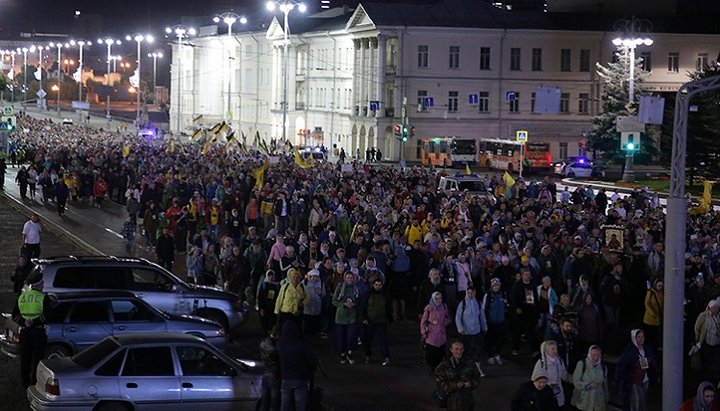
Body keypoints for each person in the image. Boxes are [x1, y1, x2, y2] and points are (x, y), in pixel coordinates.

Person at [12, 272, 52, 388]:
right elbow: (48, 316)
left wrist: (23, 322)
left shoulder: (22, 297)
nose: (43, 285)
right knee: (37, 358)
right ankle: (34, 383)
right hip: (38, 332)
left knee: (25, 358)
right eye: (42, 283)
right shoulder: (43, 297)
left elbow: (15, 315)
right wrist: (34, 322)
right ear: (38, 285)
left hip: (25, 331)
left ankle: (24, 383)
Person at [277, 320, 318, 411]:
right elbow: (311, 360)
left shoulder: (280, 344)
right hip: (300, 378)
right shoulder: (302, 345)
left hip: (286, 378)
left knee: (285, 404)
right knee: (300, 404)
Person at [615, 329, 658, 411]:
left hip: (645, 379)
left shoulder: (647, 349)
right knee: (639, 401)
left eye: (642, 336)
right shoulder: (629, 351)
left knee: (640, 399)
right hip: (634, 381)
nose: (641, 339)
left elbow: (653, 363)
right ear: (634, 338)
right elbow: (622, 366)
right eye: (639, 337)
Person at [434, 339, 481, 411]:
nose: (459, 352)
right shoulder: (444, 366)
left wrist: (471, 383)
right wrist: (455, 385)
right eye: (456, 349)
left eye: (461, 349)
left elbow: (477, 378)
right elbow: (439, 383)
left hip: (467, 401)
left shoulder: (470, 363)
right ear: (451, 350)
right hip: (452, 403)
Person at [359, 278, 392, 365]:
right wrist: (364, 318)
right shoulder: (368, 294)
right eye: (376, 285)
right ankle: (367, 356)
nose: (378, 287)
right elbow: (363, 307)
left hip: (381, 322)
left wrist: (389, 319)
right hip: (370, 322)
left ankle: (385, 357)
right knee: (367, 341)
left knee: (383, 341)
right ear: (373, 285)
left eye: (379, 285)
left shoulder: (385, 295)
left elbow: (388, 307)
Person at [455, 286, 487, 376]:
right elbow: (458, 317)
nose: (470, 295)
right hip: (466, 332)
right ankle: (465, 369)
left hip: (476, 331)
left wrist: (484, 327)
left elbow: (482, 316)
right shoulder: (463, 303)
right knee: (466, 351)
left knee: (477, 352)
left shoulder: (478, 303)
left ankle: (478, 369)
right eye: (468, 293)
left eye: (472, 293)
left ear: (475, 293)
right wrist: (460, 328)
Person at [532, 340, 571, 408]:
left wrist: (573, 379)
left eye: (556, 349)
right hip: (545, 392)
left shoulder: (560, 361)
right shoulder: (541, 363)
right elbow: (535, 379)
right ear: (546, 351)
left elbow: (564, 374)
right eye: (553, 349)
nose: (556, 351)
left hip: (558, 392)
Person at [333, 271, 360, 364]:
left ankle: (350, 352)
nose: (349, 279)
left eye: (351, 278)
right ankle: (342, 354)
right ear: (344, 278)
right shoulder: (340, 288)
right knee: (341, 337)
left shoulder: (356, 289)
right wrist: (343, 304)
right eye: (348, 278)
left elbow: (359, 301)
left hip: (352, 316)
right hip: (340, 317)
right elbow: (334, 300)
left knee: (351, 336)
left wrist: (354, 304)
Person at [571, 345, 608, 411]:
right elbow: (576, 381)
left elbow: (604, 384)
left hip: (598, 400)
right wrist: (588, 385)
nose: (596, 357)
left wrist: (606, 397)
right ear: (589, 354)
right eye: (594, 355)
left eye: (598, 355)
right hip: (584, 400)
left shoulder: (603, 367)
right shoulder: (582, 364)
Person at [421, 291, 450, 372]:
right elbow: (423, 322)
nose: (438, 300)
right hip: (431, 335)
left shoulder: (444, 307)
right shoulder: (429, 308)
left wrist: (446, 321)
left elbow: (447, 317)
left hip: (441, 335)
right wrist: (423, 332)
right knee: (431, 355)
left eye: (440, 298)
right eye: (436, 299)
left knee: (440, 354)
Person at [693, 298, 720, 379]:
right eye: (714, 307)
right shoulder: (703, 316)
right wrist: (698, 339)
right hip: (706, 343)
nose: (716, 308)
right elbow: (697, 328)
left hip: (717, 344)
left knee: (716, 362)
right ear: (710, 307)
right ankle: (706, 376)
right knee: (707, 361)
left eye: (717, 307)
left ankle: (714, 377)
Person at [259, 325, 281, 411]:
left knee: (265, 399)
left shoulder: (263, 342)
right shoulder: (275, 348)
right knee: (275, 400)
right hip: (274, 375)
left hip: (265, 373)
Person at [258, 270, 281, 334]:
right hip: (264, 308)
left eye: (272, 275)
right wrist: (261, 308)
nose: (271, 277)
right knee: (264, 322)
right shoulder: (263, 285)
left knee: (272, 322)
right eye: (269, 275)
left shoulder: (277, 286)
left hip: (273, 308)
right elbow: (260, 297)